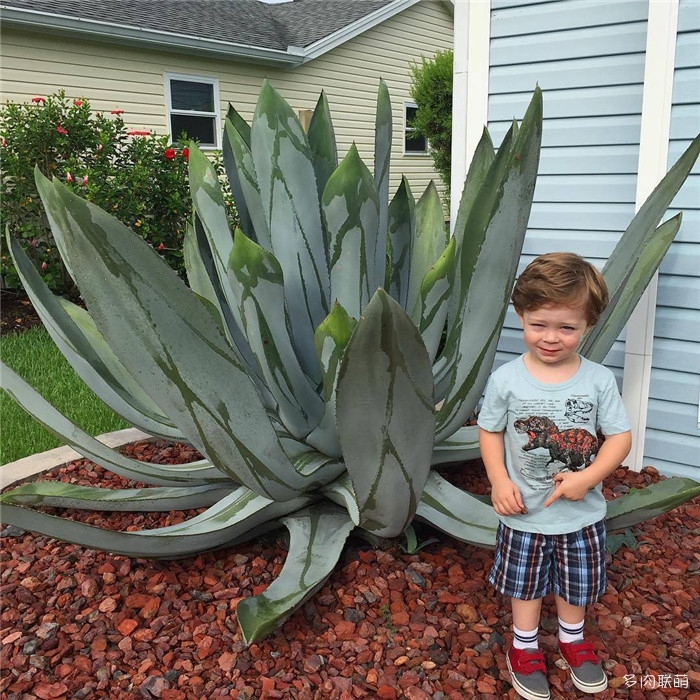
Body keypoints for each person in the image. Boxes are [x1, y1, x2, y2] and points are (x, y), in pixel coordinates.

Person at [478, 252, 632, 700]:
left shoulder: (598, 380)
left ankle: (572, 637)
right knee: (524, 583)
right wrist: (498, 480)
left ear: (588, 325)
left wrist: (589, 476)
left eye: (567, 327)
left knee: (576, 581)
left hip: (581, 513)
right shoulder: (507, 380)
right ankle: (523, 646)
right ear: (522, 315)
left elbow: (619, 438)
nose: (551, 338)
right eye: (539, 324)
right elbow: (488, 432)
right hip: (522, 513)